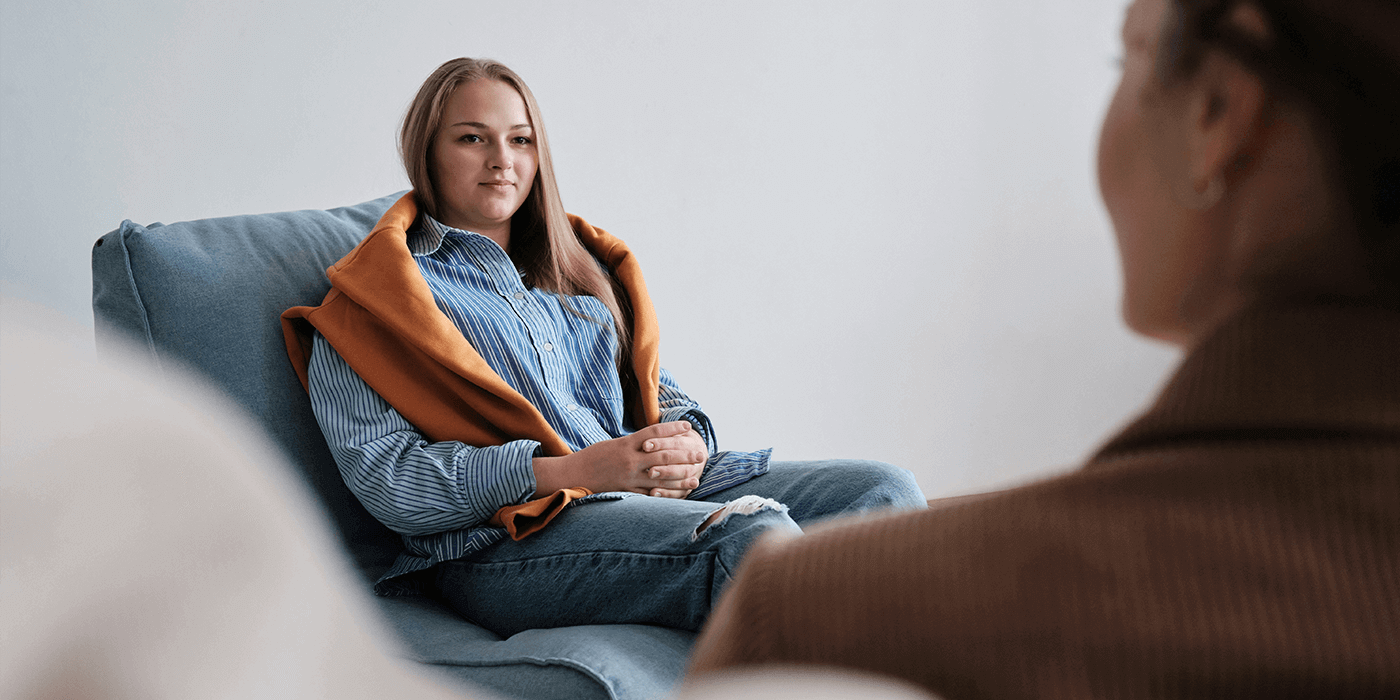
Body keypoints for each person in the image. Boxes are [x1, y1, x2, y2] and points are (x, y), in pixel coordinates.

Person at [686, 0, 1400, 697]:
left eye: (1127, 56)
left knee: (878, 486)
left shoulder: (813, 622)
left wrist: (683, 440)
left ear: (1218, 108)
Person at [281, 58, 926, 637]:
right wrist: (578, 471)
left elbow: (658, 391)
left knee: (884, 494)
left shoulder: (578, 270)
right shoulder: (372, 304)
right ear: (426, 150)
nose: (502, 160)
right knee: (752, 537)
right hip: (507, 539)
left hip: (639, 495)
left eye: (520, 140)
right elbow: (392, 482)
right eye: (472, 138)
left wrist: (685, 441)